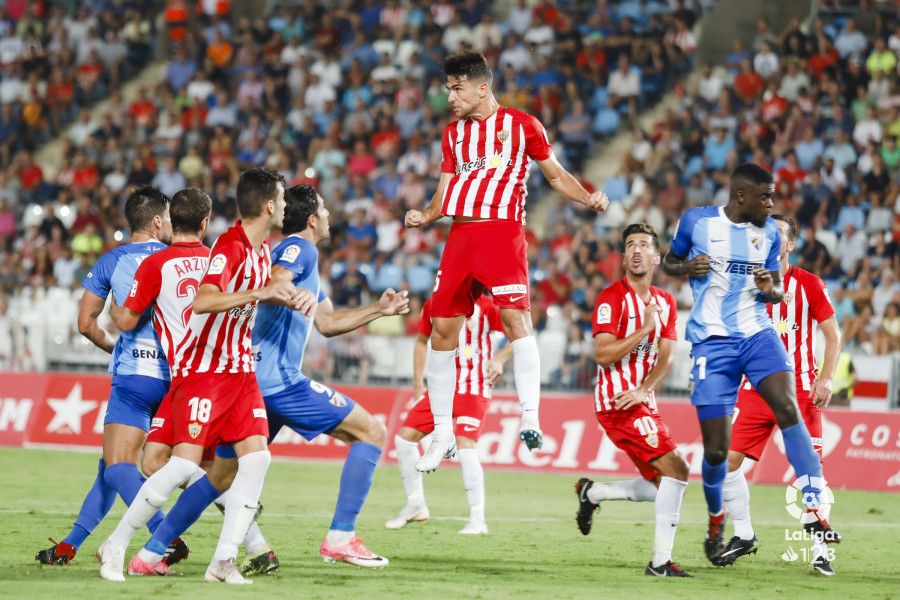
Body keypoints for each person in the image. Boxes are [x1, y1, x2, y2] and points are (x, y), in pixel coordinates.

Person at [97, 169, 310, 584]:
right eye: (282, 200)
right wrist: (260, 293)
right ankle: (118, 544)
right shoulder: (228, 247)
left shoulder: (261, 249)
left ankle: (223, 561)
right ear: (269, 205)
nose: (286, 207)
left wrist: (289, 295)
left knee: (257, 458)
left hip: (239, 371)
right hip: (204, 371)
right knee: (178, 466)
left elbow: (261, 290)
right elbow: (203, 301)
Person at [404, 51, 609, 472]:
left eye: (457, 89)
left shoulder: (522, 125)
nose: (450, 98)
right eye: (448, 89)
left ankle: (530, 416)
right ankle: (442, 430)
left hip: (502, 233)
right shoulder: (453, 135)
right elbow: (445, 190)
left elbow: (554, 174)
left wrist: (587, 197)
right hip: (461, 235)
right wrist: (426, 215)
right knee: (443, 331)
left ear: (483, 87)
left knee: (517, 321)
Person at [662, 163, 828, 566]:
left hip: (757, 335)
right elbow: (668, 262)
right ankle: (717, 521)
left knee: (790, 410)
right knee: (717, 453)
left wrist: (769, 291)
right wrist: (686, 268)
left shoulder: (770, 233)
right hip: (712, 341)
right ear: (741, 196)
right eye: (766, 196)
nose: (772, 204)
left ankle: (815, 510)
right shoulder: (697, 222)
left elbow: (771, 292)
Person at [35, 186, 175, 566]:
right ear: (158, 221)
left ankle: (165, 534)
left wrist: (117, 348)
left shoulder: (112, 261)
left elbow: (85, 324)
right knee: (110, 467)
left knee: (118, 467)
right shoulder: (178, 259)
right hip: (176, 380)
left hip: (133, 378)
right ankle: (68, 545)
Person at [722, 215, 842, 576]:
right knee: (724, 464)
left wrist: (827, 379)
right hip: (755, 392)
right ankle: (743, 533)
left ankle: (821, 551)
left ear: (789, 245)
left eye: (777, 235)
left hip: (800, 392)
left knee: (811, 474)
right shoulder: (747, 284)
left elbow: (833, 334)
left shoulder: (809, 284)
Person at [574, 223, 691, 578]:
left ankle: (594, 493)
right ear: (624, 257)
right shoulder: (611, 298)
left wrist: (645, 388)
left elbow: (667, 356)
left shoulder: (666, 302)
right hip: (617, 402)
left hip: (641, 400)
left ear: (656, 257)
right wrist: (643, 330)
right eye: (630, 245)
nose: (637, 250)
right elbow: (603, 353)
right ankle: (659, 563)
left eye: (644, 245)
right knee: (678, 470)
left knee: (663, 487)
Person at [386, 292, 511, 535]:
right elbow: (421, 341)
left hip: (473, 386)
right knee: (403, 440)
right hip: (440, 388)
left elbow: (519, 334)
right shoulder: (434, 304)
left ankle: (477, 519)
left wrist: (499, 358)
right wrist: (417, 384)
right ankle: (415, 504)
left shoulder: (487, 307)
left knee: (466, 448)